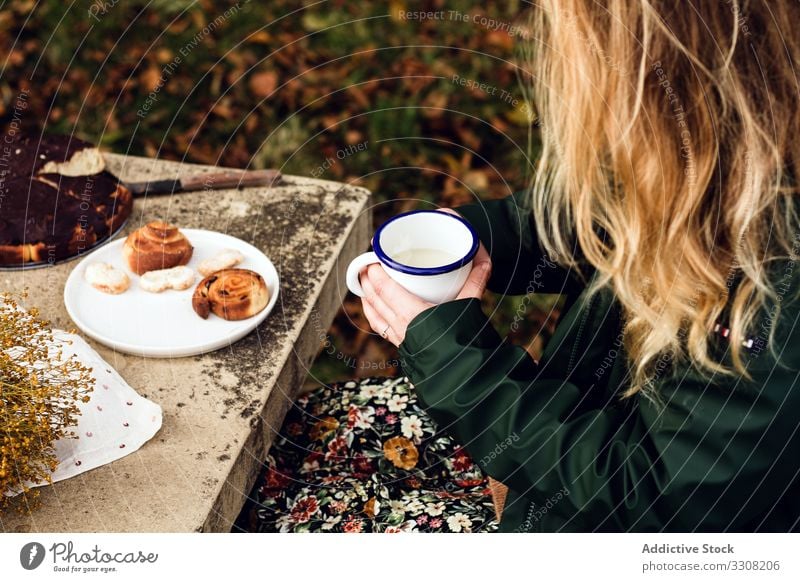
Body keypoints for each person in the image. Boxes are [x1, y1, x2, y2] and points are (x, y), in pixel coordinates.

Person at [241, 0, 800, 532]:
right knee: (292, 439)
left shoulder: (782, 287)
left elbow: (646, 489)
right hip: (560, 432)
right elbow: (595, 217)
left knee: (281, 515)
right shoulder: (708, 163)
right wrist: (470, 241)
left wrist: (459, 366)